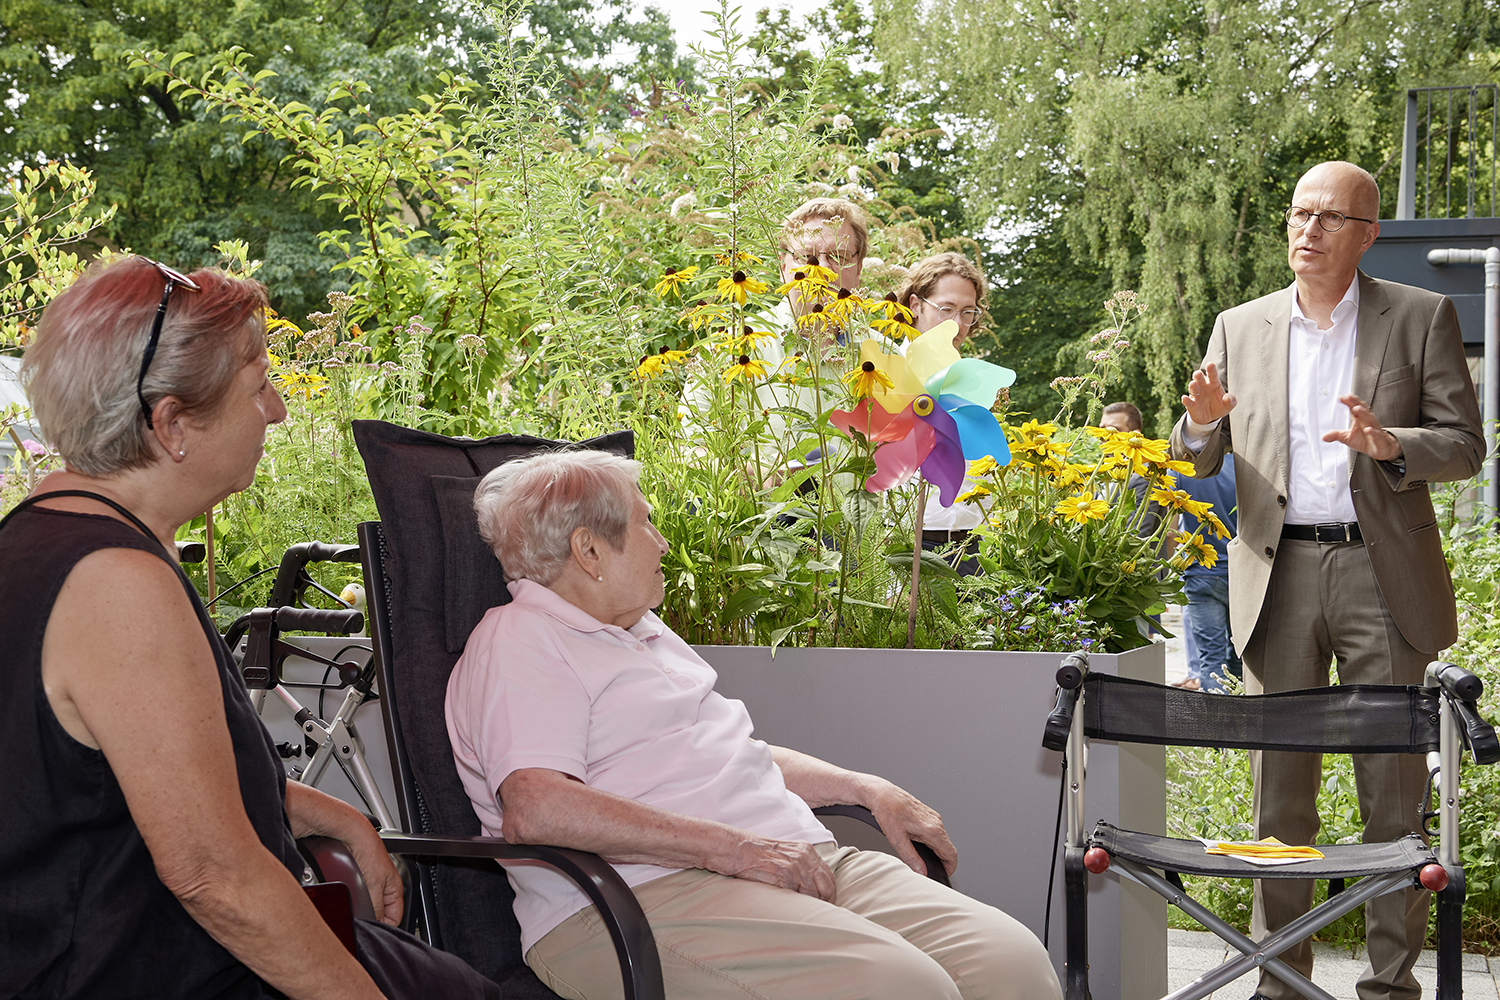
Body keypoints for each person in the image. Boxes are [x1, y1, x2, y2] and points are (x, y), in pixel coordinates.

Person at [1, 257, 500, 1000]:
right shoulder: (116, 585)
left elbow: (98, 784)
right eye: (257, 383)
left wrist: (315, 807)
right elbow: (213, 876)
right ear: (172, 424)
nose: (277, 410)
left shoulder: (40, 542)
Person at [446, 449, 1062, 1000]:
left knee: (1010, 966)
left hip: (784, 859)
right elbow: (538, 807)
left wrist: (862, 788)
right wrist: (736, 849)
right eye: (645, 524)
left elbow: (735, 753)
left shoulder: (642, 631)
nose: (661, 542)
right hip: (639, 898)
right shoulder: (522, 640)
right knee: (903, 989)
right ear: (589, 551)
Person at [1169, 160, 1484, 1000]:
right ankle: (1281, 981)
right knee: (1281, 803)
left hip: (1383, 574)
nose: (1307, 230)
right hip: (1277, 573)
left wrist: (1393, 447)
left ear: (1367, 234)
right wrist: (1200, 422)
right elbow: (1194, 450)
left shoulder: (1421, 315)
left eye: (1330, 217)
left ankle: (1389, 988)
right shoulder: (1240, 324)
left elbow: (1464, 445)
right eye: (1298, 213)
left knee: (1393, 796)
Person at [898, 252, 990, 575]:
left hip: (971, 546)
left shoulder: (975, 381)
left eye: (968, 312)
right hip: (907, 544)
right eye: (946, 309)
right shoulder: (888, 371)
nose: (957, 324)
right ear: (915, 305)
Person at [1173, 454, 1241, 693]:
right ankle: (1241, 717)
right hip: (1242, 572)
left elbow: (1170, 529)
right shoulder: (1244, 464)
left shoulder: (1182, 468)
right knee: (1241, 656)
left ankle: (1215, 724)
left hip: (1200, 570)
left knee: (1210, 659)